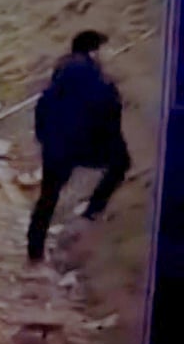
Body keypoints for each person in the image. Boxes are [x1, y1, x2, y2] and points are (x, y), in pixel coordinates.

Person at [27, 30, 130, 265]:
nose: (110, 54)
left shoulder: (63, 71)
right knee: (121, 162)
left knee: (48, 196)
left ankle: (35, 251)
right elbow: (106, 111)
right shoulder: (93, 77)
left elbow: (44, 106)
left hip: (56, 143)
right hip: (79, 142)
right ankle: (92, 211)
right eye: (106, 49)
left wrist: (43, 137)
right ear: (94, 50)